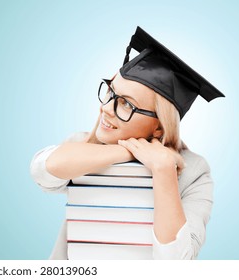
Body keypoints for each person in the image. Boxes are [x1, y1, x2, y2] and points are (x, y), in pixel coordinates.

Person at [30, 27, 224, 260]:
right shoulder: (84, 146)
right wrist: (127, 150)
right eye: (110, 93)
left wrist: (163, 170)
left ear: (160, 126)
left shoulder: (194, 172)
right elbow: (43, 170)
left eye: (126, 105)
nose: (106, 108)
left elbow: (177, 261)